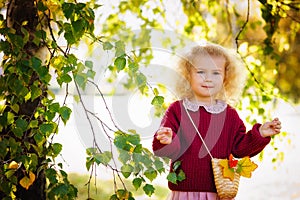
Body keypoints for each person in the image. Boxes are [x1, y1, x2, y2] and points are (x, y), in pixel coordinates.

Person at [152, 43, 281, 200]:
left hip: (218, 193)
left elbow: (240, 148)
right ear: (187, 74)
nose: (208, 78)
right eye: (201, 72)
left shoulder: (229, 115)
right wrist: (166, 140)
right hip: (184, 193)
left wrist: (260, 133)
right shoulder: (177, 110)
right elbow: (167, 150)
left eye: (216, 73)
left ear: (226, 77)